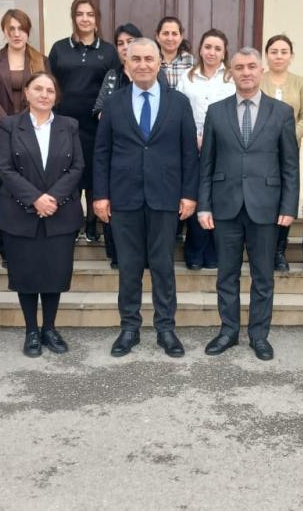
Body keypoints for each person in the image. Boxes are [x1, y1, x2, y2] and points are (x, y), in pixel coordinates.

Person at [92, 38, 199, 358]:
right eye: (135, 59)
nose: (142, 64)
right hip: (124, 198)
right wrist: (100, 195)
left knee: (164, 266)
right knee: (129, 267)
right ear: (126, 64)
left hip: (165, 197)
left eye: (148, 59)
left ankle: (166, 329)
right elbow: (101, 152)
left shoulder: (178, 102)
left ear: (158, 63)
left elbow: (189, 153)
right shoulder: (114, 103)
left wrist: (189, 194)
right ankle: (129, 328)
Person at [198, 48, 299, 361]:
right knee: (226, 275)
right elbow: (206, 163)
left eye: (252, 66)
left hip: (266, 207)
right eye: (239, 67)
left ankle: (259, 335)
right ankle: (228, 331)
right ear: (231, 72)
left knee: (263, 277)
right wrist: (204, 205)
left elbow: (290, 165)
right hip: (225, 206)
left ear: (261, 70)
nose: (246, 72)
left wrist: (289, 207)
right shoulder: (216, 112)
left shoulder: (281, 112)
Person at [0, 72, 84, 358]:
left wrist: (53, 197)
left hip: (60, 212)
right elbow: (5, 168)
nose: (44, 94)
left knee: (55, 273)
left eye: (50, 90)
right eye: (38, 89)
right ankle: (31, 330)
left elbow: (77, 167)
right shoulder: (10, 126)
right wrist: (35, 198)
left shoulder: (69, 126)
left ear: (56, 97)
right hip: (21, 213)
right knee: (26, 274)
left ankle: (49, 328)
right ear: (27, 93)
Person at [49, 0, 121, 245]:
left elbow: (114, 85)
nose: (85, 19)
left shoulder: (108, 51)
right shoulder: (59, 48)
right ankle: (71, 223)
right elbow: (51, 83)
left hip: (96, 124)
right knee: (67, 174)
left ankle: (91, 224)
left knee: (92, 174)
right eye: (80, 14)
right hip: (63, 123)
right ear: (73, 18)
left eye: (90, 14)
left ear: (97, 19)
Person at [0, 9, 47, 266]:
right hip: (2, 136)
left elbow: (45, 93)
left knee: (33, 188)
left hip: (34, 136)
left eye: (21, 28)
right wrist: (9, 124)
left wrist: (26, 124)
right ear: (4, 31)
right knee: (5, 191)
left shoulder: (41, 60)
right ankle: (6, 248)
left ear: (28, 31)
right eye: (12, 29)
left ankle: (31, 243)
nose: (17, 34)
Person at [176, 28, 235, 271]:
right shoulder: (187, 78)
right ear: (200, 49)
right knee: (196, 196)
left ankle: (213, 252)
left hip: (225, 147)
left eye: (217, 48)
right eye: (208, 47)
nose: (212, 52)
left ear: (224, 52)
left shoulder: (231, 78)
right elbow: (179, 111)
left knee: (218, 197)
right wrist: (194, 137)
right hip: (193, 146)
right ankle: (194, 251)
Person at [92, 22, 149, 269]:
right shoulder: (113, 75)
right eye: (121, 43)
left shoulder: (153, 74)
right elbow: (100, 109)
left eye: (130, 42)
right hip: (118, 152)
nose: (125, 47)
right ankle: (117, 256)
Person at [260, 34, 303, 272]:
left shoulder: (300, 83)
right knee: (264, 195)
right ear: (267, 55)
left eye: (284, 52)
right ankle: (263, 248)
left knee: (286, 195)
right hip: (259, 150)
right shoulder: (258, 80)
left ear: (291, 56)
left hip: (290, 148)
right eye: (274, 51)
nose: (278, 56)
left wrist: (288, 138)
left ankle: (279, 251)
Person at [156, 16, 194, 89]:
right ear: (157, 37)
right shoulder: (150, 60)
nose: (170, 38)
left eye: (174, 34)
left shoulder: (190, 61)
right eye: (165, 33)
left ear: (181, 37)